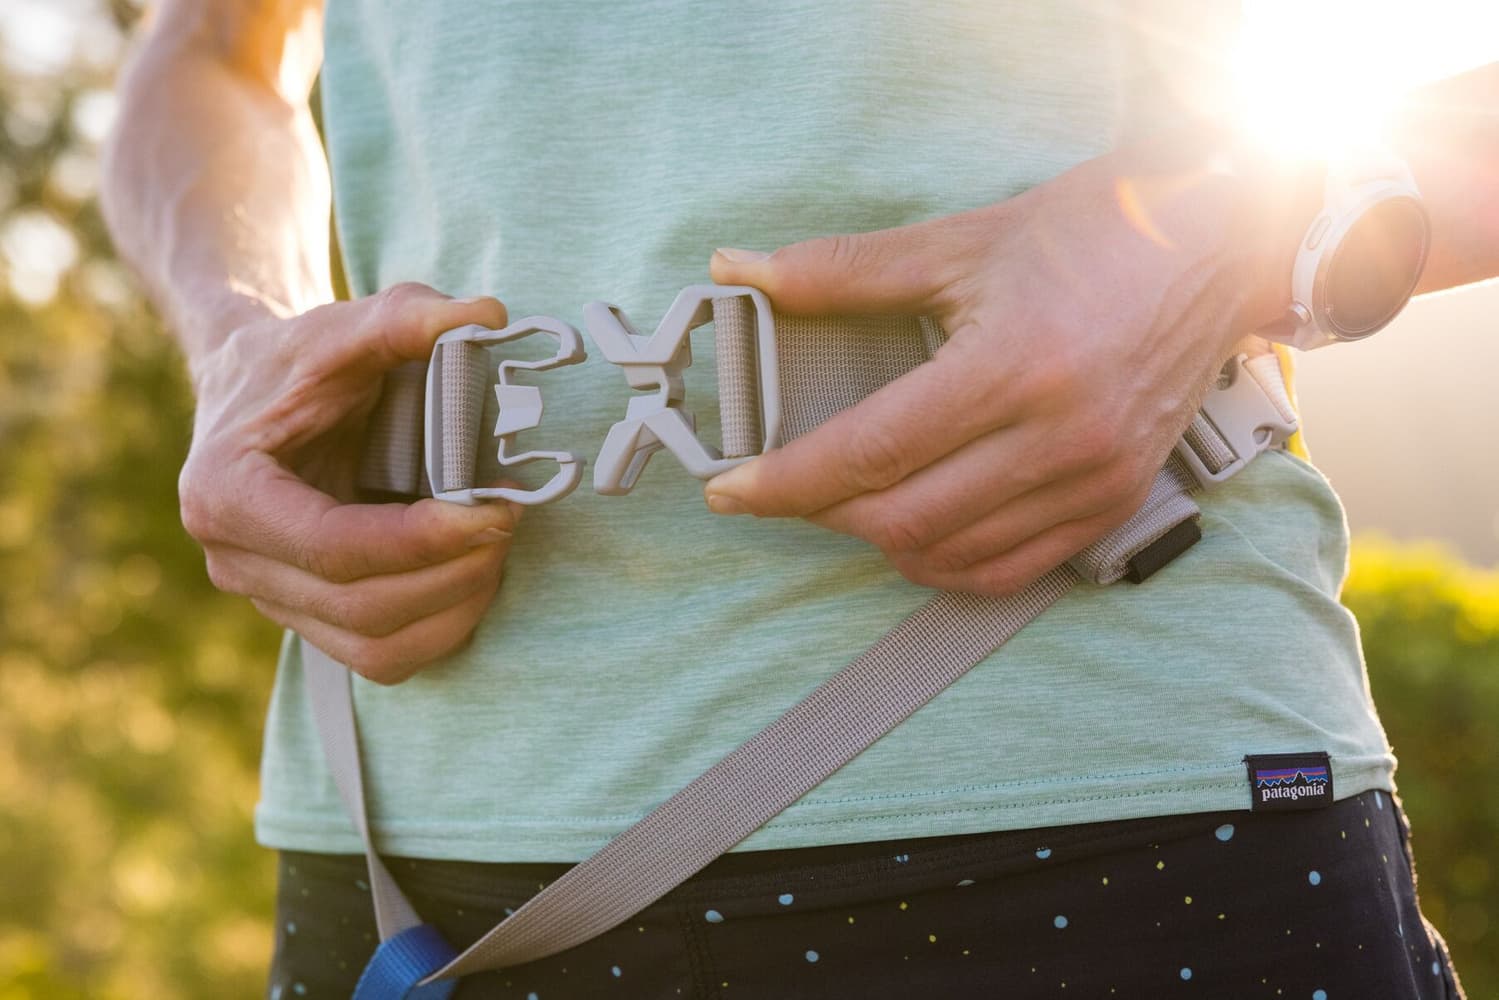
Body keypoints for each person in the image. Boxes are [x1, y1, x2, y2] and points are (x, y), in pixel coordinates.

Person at [102, 1, 1496, 996]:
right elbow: (211, 50)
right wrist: (237, 333)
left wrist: (1232, 230)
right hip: (404, 840)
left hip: (1101, 784)